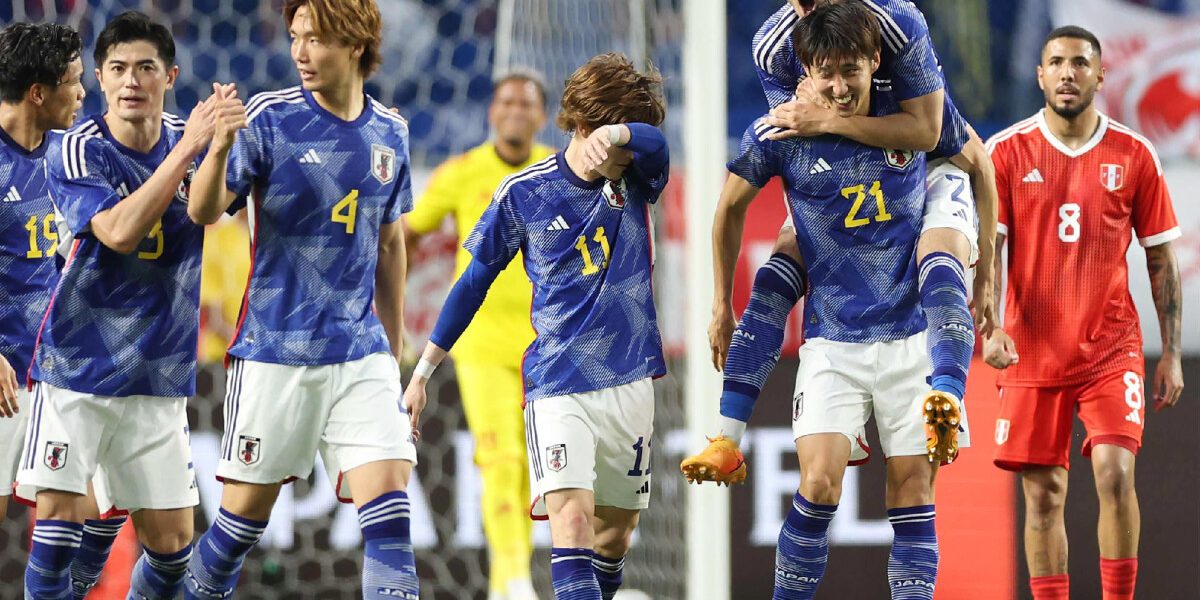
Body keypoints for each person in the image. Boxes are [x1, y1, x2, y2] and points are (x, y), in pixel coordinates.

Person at [691, 3, 967, 597]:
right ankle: (725, 438)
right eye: (826, 75)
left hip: (910, 327)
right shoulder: (780, 119)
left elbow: (974, 159)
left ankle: (949, 386)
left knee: (913, 489)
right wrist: (719, 301)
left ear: (874, 62)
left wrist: (989, 268)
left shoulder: (906, 77)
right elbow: (728, 207)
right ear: (804, 72)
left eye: (851, 72)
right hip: (833, 335)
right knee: (818, 485)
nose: (839, 88)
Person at [405, 52, 668, 600]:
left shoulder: (639, 174)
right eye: (611, 134)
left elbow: (656, 144)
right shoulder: (523, 193)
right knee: (569, 520)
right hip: (555, 380)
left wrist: (621, 133)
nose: (622, 152)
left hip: (630, 375)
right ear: (579, 123)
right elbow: (471, 282)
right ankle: (512, 582)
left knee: (614, 535)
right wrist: (425, 368)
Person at [183, 1, 420, 598]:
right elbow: (203, 211)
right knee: (235, 532)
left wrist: (391, 358)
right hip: (275, 352)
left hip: (359, 352)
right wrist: (216, 149)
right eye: (294, 37)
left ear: (356, 43)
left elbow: (391, 246)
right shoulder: (267, 118)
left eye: (314, 39)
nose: (299, 53)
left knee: (391, 521)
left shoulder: (391, 131)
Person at [17, 11, 216, 598]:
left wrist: (221, 143)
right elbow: (121, 231)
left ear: (170, 75)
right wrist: (189, 154)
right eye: (118, 68)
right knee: (56, 531)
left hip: (158, 374)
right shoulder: (74, 149)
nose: (132, 80)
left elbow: (214, 209)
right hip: (79, 370)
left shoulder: (194, 141)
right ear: (100, 79)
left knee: (175, 553)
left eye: (146, 68)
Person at [984, 25, 1183, 600]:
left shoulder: (1134, 154)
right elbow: (988, 252)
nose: (1067, 73)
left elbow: (1162, 260)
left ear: (1101, 75)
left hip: (1110, 347)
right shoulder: (1007, 151)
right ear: (1040, 75)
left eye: (1079, 63)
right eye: (1056, 63)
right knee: (1043, 495)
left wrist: (1169, 351)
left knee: (1115, 476)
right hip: (1031, 347)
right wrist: (991, 324)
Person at [403, 70, 554, 600]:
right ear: (492, 112)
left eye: (526, 103)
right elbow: (407, 235)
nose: (515, 110)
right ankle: (515, 578)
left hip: (547, 345)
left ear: (542, 116)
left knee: (535, 470)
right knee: (500, 458)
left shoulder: (557, 170)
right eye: (506, 101)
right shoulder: (462, 172)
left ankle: (503, 584)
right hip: (482, 343)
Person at [0, 17, 85, 535]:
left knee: (72, 530)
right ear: (37, 93)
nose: (82, 91)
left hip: (57, 373)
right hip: (3, 376)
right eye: (72, 81)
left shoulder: (68, 155)